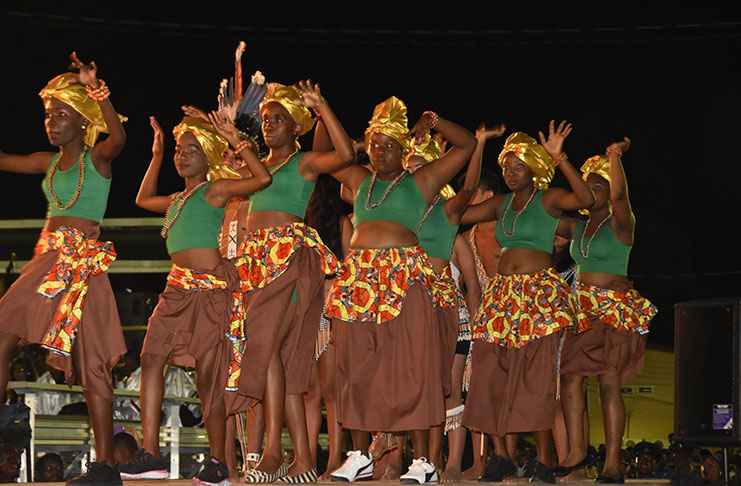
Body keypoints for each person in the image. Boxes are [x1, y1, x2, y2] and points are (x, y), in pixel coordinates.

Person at [326, 97, 476, 484]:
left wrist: (435, 119)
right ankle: (360, 454)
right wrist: (325, 106)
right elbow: (325, 153)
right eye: (374, 144)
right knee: (356, 366)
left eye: (387, 145)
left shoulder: (421, 182)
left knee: (412, 367)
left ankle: (423, 462)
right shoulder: (360, 179)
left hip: (403, 276)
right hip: (359, 278)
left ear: (404, 148)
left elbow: (467, 146)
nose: (379, 151)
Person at [121, 112, 271, 486]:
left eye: (191, 150)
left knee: (208, 379)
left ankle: (219, 462)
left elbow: (262, 179)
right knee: (150, 359)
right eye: (178, 150)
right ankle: (151, 454)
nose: (182, 156)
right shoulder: (177, 198)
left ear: (208, 156)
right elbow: (141, 198)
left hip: (208, 292)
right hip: (176, 290)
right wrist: (156, 155)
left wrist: (235, 140)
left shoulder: (215, 189)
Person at [0, 52, 127, 486]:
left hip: (83, 264)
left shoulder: (98, 159)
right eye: (47, 114)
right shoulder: (46, 162)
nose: (51, 121)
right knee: (2, 331)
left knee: (93, 363)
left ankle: (106, 466)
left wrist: (98, 91)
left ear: (82, 120)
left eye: (60, 114)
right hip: (47, 262)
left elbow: (119, 139)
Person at [226, 80, 354, 484]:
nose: (269, 125)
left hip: (290, 258)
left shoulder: (304, 162)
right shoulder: (257, 166)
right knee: (280, 358)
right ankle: (302, 459)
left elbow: (347, 154)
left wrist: (322, 107)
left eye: (279, 119)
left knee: (266, 348)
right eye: (265, 119)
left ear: (296, 127)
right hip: (255, 261)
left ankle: (272, 453)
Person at [461, 121, 595, 483]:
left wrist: (560, 158)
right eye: (505, 166)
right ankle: (501, 456)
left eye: (518, 165)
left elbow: (586, 201)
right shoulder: (501, 203)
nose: (509, 172)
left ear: (535, 168)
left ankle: (544, 460)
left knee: (536, 380)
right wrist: (477, 148)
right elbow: (459, 209)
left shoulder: (549, 198)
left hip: (538, 295)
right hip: (502, 295)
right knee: (491, 375)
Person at [555, 138, 657, 483]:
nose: (592, 191)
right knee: (570, 377)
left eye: (598, 186)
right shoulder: (578, 227)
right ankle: (576, 454)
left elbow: (619, 198)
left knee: (609, 383)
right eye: (588, 186)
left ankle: (613, 463)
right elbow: (542, 215)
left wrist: (614, 157)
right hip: (581, 310)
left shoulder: (621, 224)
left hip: (613, 309)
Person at [411, 124, 504, 481]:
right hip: (408, 310)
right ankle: (421, 461)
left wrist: (477, 144)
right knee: (416, 386)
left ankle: (451, 463)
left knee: (448, 387)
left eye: (420, 167)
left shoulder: (449, 218)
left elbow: (473, 285)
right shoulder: (400, 218)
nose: (412, 174)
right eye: (408, 169)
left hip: (451, 314)